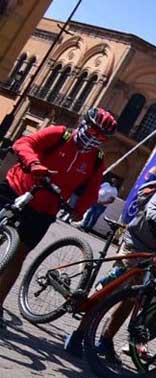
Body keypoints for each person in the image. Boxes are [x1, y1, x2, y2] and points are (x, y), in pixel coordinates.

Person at [64, 166, 156, 356]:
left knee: (133, 298)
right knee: (113, 288)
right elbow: (152, 210)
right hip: (135, 242)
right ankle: (79, 334)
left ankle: (106, 340)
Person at [0, 107, 116, 331]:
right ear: (84, 123)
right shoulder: (60, 134)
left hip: (46, 209)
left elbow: (92, 190)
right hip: (17, 188)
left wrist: (80, 209)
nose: (94, 138)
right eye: (92, 130)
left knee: (19, 255)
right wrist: (34, 164)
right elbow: (24, 143)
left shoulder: (97, 159)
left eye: (101, 136)